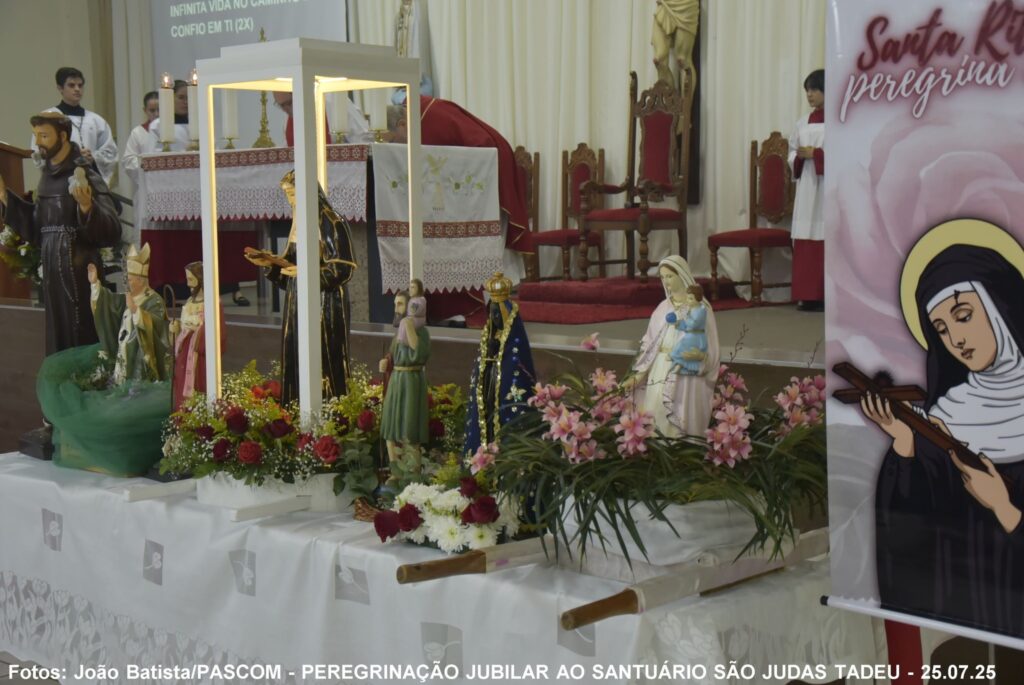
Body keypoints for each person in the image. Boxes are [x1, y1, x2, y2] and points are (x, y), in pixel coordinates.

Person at [858, 220, 1024, 635]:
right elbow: (910, 535)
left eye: (964, 316)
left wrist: (1004, 508)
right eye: (942, 330)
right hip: (965, 613)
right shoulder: (946, 417)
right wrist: (905, 445)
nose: (956, 340)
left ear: (1001, 305)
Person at [385, 96, 533, 321]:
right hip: (483, 167)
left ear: (403, 125)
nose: (400, 147)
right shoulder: (419, 113)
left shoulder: (427, 121)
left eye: (395, 140)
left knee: (483, 247)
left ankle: (488, 305)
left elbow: (479, 146)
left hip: (490, 167)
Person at [0, 112, 122, 355]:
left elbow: (112, 229)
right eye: (36, 136)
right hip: (52, 267)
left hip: (79, 267)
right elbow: (38, 227)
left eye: (44, 136)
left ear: (63, 136)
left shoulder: (86, 174)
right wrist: (5, 197)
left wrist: (87, 207)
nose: (38, 143)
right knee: (58, 332)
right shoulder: (47, 177)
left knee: (81, 328)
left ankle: (86, 374)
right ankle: (60, 372)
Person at [244, 170, 357, 405]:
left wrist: (307, 274)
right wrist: (270, 264)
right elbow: (290, 270)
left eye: (294, 194)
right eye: (287, 195)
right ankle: (296, 408)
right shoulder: (299, 223)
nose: (291, 201)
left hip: (325, 302)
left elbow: (343, 269)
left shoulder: (332, 221)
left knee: (324, 356)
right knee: (295, 352)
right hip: (297, 301)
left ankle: (330, 410)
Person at [625, 255, 719, 437]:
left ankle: (683, 446)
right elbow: (649, 345)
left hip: (687, 373)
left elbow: (711, 346)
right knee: (657, 411)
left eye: (670, 276)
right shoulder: (662, 308)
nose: (666, 281)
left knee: (681, 415)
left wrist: (701, 357)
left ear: (682, 275)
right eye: (663, 277)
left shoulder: (701, 309)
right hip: (660, 368)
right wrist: (638, 375)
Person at [463, 272, 536, 458]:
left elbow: (517, 371)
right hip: (489, 387)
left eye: (497, 312)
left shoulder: (515, 339)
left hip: (502, 389)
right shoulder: (488, 336)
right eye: (492, 312)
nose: (494, 317)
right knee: (487, 422)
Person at [88, 244, 172, 384]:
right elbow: (108, 303)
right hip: (123, 352)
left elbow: (159, 328)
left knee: (134, 387)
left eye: (130, 280)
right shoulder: (128, 297)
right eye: (126, 279)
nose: (126, 284)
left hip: (139, 358)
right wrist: (95, 284)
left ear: (140, 280)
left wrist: (136, 311)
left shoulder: (155, 300)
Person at [33, 67, 118, 185]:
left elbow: (110, 152)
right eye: (71, 85)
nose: (77, 89)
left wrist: (92, 157)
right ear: (60, 88)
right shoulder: (48, 119)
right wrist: (70, 158)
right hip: (60, 183)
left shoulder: (96, 120)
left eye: (80, 85)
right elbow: (39, 153)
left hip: (90, 182)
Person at [380, 289, 431, 469]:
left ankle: (412, 471)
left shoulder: (421, 332)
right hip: (396, 381)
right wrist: (386, 361)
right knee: (391, 427)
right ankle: (395, 470)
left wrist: (409, 326)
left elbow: (420, 352)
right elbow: (393, 354)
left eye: (400, 304)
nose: (396, 308)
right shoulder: (397, 335)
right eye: (395, 304)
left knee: (409, 428)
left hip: (411, 382)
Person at [788, 69, 825, 312]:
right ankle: (807, 295)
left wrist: (818, 154)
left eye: (814, 89)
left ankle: (825, 294)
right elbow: (791, 153)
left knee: (826, 235)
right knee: (806, 235)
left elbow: (847, 153)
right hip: (808, 188)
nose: (809, 95)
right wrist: (799, 157)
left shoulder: (840, 120)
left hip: (827, 189)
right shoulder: (802, 122)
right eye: (807, 91)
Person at [170, 261, 216, 410]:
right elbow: (184, 324)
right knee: (181, 379)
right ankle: (181, 415)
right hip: (184, 350)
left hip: (197, 353)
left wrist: (196, 328)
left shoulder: (209, 303)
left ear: (200, 279)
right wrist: (175, 329)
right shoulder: (190, 301)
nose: (188, 284)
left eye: (191, 279)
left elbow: (209, 328)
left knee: (197, 381)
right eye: (187, 279)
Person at [272, 91, 370, 145]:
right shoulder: (288, 117)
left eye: (289, 103)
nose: (286, 110)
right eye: (281, 106)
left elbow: (364, 140)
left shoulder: (335, 102)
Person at [651, 0, 699, 94]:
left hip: (685, 5)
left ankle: (686, 103)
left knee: (683, 60)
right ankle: (669, 101)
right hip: (664, 4)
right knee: (659, 60)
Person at [120, 90, 160, 196]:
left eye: (160, 110)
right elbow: (128, 161)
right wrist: (147, 164)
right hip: (146, 189)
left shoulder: (174, 131)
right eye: (152, 110)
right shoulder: (138, 132)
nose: (157, 114)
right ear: (145, 110)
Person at [668, 284, 708, 375]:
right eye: (687, 298)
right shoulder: (691, 309)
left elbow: (693, 324)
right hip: (690, 335)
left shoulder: (701, 310)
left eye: (691, 299)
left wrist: (686, 317)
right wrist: (678, 323)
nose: (688, 301)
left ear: (698, 298)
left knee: (681, 346)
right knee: (683, 348)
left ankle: (676, 360)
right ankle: (680, 366)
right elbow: (686, 326)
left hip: (696, 336)